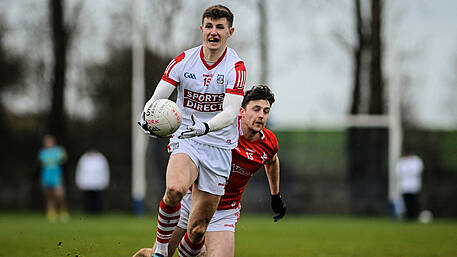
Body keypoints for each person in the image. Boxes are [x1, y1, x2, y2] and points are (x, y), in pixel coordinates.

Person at [137, 5, 246, 257]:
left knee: (197, 230)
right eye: (209, 26)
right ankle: (160, 252)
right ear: (201, 29)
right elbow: (157, 98)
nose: (213, 32)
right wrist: (147, 117)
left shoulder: (235, 67)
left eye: (220, 27)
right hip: (186, 139)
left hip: (218, 147)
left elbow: (231, 113)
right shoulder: (184, 60)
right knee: (174, 190)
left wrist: (206, 127)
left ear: (230, 32)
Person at [133, 85, 287, 257]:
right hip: (194, 199)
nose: (261, 115)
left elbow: (272, 162)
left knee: (203, 242)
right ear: (241, 111)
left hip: (226, 209)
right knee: (162, 253)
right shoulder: (221, 130)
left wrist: (276, 196)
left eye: (266, 111)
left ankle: (197, 250)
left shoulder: (269, 143)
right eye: (256, 109)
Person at [38, 134, 69, 222]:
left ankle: (63, 212)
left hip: (56, 176)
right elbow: (41, 162)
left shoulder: (58, 151)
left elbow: (64, 159)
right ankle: (51, 213)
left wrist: (64, 153)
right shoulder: (43, 152)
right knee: (49, 195)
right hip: (46, 176)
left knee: (60, 195)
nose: (48, 143)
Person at [75, 149, 110, 214]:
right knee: (87, 199)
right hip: (87, 183)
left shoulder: (101, 159)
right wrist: (79, 181)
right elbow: (80, 171)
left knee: (97, 199)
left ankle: (97, 212)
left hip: (97, 183)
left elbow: (105, 171)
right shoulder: (84, 159)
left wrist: (105, 181)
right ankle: (88, 212)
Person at [396, 152, 424, 220]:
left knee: (414, 202)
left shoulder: (416, 161)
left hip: (414, 186)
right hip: (404, 186)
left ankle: (414, 216)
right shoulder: (402, 161)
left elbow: (417, 171)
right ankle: (408, 216)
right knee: (406, 202)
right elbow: (398, 171)